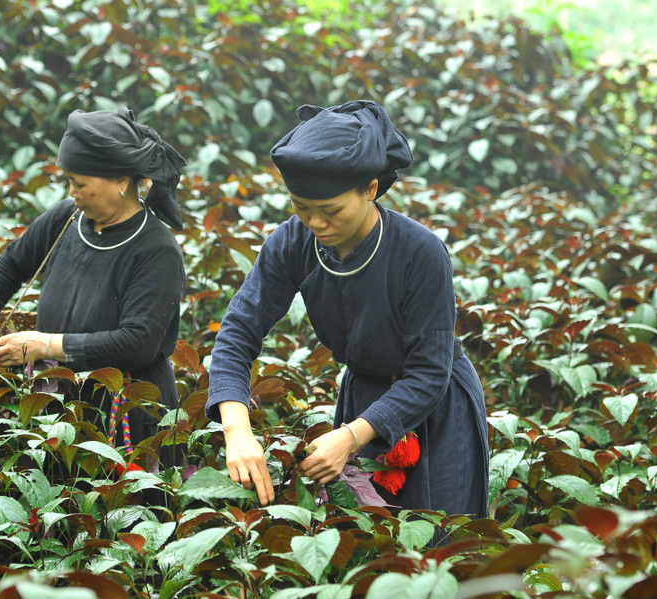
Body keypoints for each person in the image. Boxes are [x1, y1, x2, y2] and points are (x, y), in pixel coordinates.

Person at [205, 100, 489, 516]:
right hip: (362, 399)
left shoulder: (420, 252)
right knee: (363, 545)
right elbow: (237, 333)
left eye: (331, 210)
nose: (316, 224)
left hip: (434, 408)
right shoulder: (292, 242)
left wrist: (351, 437)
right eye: (301, 208)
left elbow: (430, 372)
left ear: (370, 190)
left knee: (438, 543)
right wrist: (237, 429)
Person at [0, 106, 187, 459]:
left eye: (80, 183)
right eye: (68, 181)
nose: (72, 191)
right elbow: (11, 265)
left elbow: (137, 342)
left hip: (129, 416)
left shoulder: (157, 250)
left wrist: (45, 345)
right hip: (60, 404)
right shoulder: (67, 217)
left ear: (121, 181)